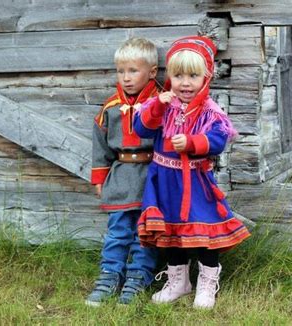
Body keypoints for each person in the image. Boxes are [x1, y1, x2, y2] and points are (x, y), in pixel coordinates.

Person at [133, 35, 251, 309]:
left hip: (195, 182)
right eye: (178, 75)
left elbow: (218, 140)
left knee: (205, 233)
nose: (185, 83)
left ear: (206, 77)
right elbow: (142, 129)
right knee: (171, 232)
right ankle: (179, 282)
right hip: (163, 181)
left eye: (193, 76)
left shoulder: (210, 111)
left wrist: (192, 143)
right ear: (169, 77)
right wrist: (157, 105)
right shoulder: (163, 105)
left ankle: (206, 283)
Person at [86, 37, 159, 306]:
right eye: (121, 71)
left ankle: (139, 276)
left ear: (151, 72)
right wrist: (99, 176)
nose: (126, 78)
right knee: (118, 230)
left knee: (146, 231)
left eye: (133, 70)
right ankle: (110, 275)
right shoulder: (111, 108)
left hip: (152, 176)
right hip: (120, 175)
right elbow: (100, 145)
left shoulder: (160, 105)